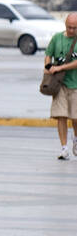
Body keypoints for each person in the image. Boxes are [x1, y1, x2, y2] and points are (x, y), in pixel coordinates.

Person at [44, 12, 77, 159]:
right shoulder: (57, 38)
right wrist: (48, 66)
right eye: (70, 27)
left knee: (75, 117)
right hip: (59, 84)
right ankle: (64, 148)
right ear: (65, 25)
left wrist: (60, 68)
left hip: (75, 84)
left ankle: (75, 139)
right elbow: (48, 54)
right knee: (61, 116)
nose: (72, 30)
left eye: (75, 28)